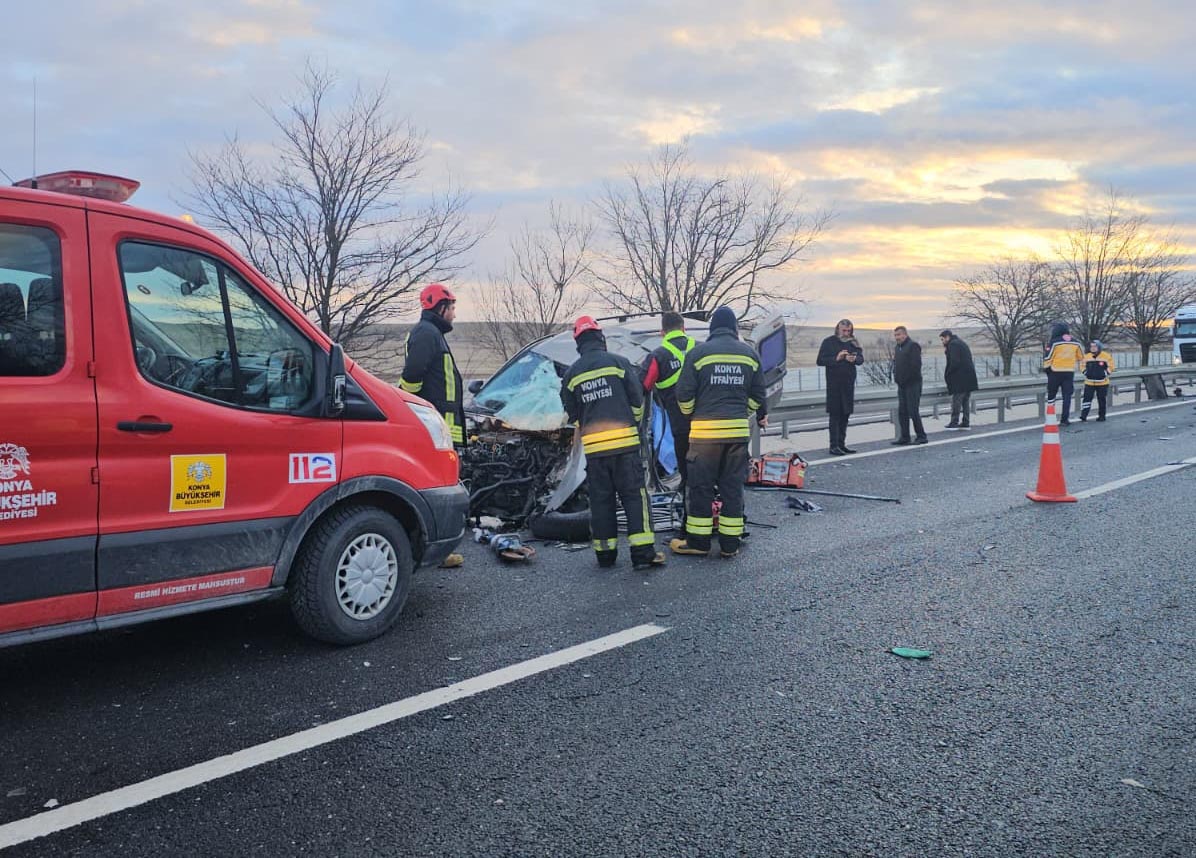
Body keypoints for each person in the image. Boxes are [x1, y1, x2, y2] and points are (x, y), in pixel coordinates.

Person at [560, 316, 665, 570]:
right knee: (634, 497)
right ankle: (643, 553)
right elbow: (637, 401)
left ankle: (605, 555)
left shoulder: (572, 374)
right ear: (600, 337)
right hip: (625, 446)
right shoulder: (619, 363)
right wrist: (633, 424)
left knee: (601, 502)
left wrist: (588, 425)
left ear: (578, 342)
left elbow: (572, 413)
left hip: (595, 451)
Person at [669, 307, 767, 559]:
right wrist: (741, 412)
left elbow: (683, 394)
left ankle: (699, 543)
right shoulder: (750, 354)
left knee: (700, 488)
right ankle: (730, 545)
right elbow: (758, 395)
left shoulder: (697, 353)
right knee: (732, 488)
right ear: (734, 328)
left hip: (704, 435)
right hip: (736, 434)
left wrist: (693, 413)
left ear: (712, 328)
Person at [402, 283, 467, 568]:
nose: (454, 314)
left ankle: (438, 547)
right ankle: (439, 551)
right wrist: (416, 410)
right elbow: (412, 376)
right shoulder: (427, 334)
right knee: (439, 488)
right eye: (451, 308)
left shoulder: (430, 333)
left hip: (438, 423)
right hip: (435, 425)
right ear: (441, 308)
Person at [641, 312, 696, 489]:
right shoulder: (701, 348)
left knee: (687, 474)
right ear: (683, 328)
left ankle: (688, 493)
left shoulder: (658, 356)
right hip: (707, 423)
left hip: (680, 425)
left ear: (662, 332)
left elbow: (643, 386)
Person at [816, 319, 864, 455]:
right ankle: (834, 445)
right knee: (835, 415)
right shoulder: (828, 342)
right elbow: (820, 361)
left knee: (845, 414)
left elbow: (861, 359)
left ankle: (842, 444)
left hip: (848, 384)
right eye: (844, 330)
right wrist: (837, 358)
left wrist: (854, 359)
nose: (846, 333)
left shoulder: (854, 342)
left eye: (849, 331)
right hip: (834, 384)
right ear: (838, 329)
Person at [1042, 322, 1085, 426]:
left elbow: (1048, 357)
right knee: (1067, 396)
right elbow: (1081, 357)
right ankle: (1065, 419)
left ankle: (1051, 418)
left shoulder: (1054, 342)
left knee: (1052, 396)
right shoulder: (1075, 342)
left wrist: (1047, 369)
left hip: (1055, 372)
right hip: (1069, 372)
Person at [891, 326, 928, 445]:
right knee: (902, 411)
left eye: (899, 335)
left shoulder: (913, 346)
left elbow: (915, 366)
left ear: (905, 334)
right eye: (895, 335)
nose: (897, 337)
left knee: (913, 411)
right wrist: (897, 377)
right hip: (901, 385)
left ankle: (921, 436)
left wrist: (907, 379)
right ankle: (905, 436)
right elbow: (896, 365)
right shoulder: (897, 348)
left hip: (913, 384)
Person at [940, 329, 978, 429]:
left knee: (957, 400)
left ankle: (954, 422)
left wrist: (948, 373)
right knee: (965, 400)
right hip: (969, 376)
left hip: (960, 378)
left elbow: (954, 362)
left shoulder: (953, 345)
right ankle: (966, 421)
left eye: (942, 339)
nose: (942, 342)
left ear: (947, 337)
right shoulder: (960, 342)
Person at [1080, 340, 1114, 422]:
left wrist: (1104, 373)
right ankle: (1083, 416)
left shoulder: (1106, 356)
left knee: (1101, 400)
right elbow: (1082, 366)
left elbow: (1111, 367)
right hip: (1089, 382)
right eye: (1091, 346)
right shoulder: (1086, 356)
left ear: (1099, 347)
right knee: (1086, 399)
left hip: (1102, 382)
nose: (1093, 348)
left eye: (1095, 346)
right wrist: (1086, 373)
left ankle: (1102, 416)